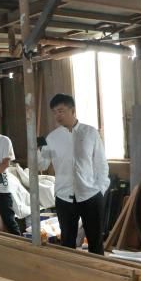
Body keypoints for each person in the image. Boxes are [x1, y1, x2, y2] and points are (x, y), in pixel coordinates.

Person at [37, 93, 110, 254]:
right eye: (54, 112)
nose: (57, 116)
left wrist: (100, 189)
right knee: (67, 242)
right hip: (64, 196)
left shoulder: (90, 133)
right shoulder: (52, 138)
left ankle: (96, 269)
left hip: (90, 194)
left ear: (72, 110)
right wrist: (37, 149)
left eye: (61, 111)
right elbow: (42, 164)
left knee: (95, 241)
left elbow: (101, 164)